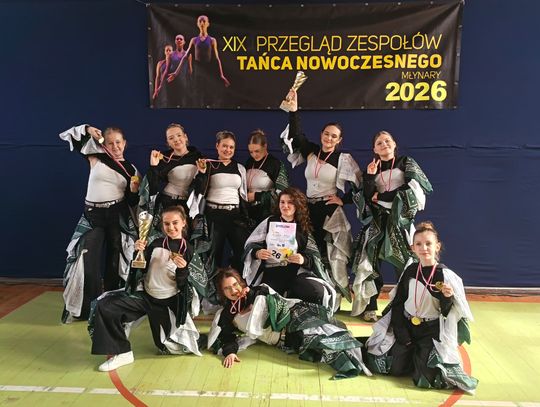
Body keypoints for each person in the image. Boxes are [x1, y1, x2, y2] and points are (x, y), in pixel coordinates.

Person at [365, 222, 478, 393]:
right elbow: (398, 303)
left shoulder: (445, 275)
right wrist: (401, 332)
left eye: (428, 243)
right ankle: (412, 356)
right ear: (412, 248)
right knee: (394, 368)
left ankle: (420, 358)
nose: (424, 248)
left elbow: (447, 313)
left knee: (425, 379)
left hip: (430, 331)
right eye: (418, 244)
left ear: (437, 246)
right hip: (407, 326)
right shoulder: (410, 271)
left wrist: (447, 298)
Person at [89, 206, 203, 371]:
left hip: (166, 305)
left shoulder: (189, 251)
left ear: (184, 222)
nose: (171, 227)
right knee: (105, 306)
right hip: (146, 298)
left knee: (165, 347)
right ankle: (123, 353)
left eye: (175, 223)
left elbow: (185, 288)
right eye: (167, 223)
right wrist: (138, 254)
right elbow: (140, 271)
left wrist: (183, 270)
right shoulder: (155, 244)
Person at [207, 268, 372, 379]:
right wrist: (230, 352)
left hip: (295, 319)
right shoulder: (227, 315)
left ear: (240, 283)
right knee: (328, 349)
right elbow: (226, 336)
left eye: (235, 284)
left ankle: (371, 350)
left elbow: (273, 298)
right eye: (227, 288)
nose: (234, 290)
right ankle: (370, 356)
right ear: (222, 292)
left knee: (335, 334)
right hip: (287, 340)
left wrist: (252, 295)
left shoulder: (256, 291)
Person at [280, 89, 361, 306]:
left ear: (339, 140)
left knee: (331, 254)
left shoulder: (343, 158)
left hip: (329, 211)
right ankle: (314, 294)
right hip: (308, 209)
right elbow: (296, 135)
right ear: (321, 134)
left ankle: (334, 298)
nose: (329, 138)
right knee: (309, 253)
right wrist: (294, 110)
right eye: (326, 134)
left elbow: (361, 185)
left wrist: (344, 200)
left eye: (334, 136)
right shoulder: (312, 151)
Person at [59, 124, 140, 323]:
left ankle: (112, 307)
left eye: (118, 142)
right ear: (104, 144)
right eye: (110, 143)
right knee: (87, 261)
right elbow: (71, 137)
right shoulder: (95, 157)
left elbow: (133, 202)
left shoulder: (132, 170)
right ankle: (85, 309)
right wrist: (88, 129)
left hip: (116, 216)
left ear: (124, 143)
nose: (115, 146)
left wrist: (133, 190)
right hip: (93, 216)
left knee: (116, 261)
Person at [351, 130, 433, 322]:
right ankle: (370, 307)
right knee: (370, 265)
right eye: (379, 143)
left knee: (404, 266)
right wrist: (370, 177)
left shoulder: (406, 162)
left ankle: (405, 307)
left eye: (387, 141)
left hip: (400, 222)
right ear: (374, 149)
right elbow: (366, 197)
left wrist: (381, 196)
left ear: (394, 144)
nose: (384, 145)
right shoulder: (372, 167)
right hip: (378, 222)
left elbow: (411, 188)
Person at [243, 187, 335, 308]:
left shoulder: (302, 227)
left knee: (317, 292)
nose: (285, 206)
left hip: (295, 273)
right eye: (282, 202)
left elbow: (314, 258)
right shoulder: (269, 222)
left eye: (290, 202)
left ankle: (292, 297)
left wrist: (303, 259)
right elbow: (251, 245)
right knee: (262, 301)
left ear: (297, 205)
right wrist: (257, 253)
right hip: (272, 272)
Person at [188, 130, 250, 284]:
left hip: (235, 216)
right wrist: (202, 173)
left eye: (231, 147)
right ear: (217, 146)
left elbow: (243, 195)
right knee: (213, 255)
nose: (228, 150)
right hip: (214, 216)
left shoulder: (240, 168)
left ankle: (239, 286)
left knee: (241, 253)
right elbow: (198, 191)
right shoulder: (208, 165)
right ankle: (213, 289)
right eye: (224, 146)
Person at [139, 123, 201, 243]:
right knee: (166, 239)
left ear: (185, 137)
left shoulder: (197, 156)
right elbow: (152, 186)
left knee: (187, 240)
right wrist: (153, 166)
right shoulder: (164, 159)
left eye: (179, 135)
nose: (176, 140)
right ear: (168, 142)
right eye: (171, 138)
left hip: (189, 205)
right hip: (168, 201)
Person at [167, 15, 230, 107]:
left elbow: (217, 58)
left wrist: (221, 75)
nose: (202, 23)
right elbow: (185, 57)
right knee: (198, 94)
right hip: (198, 70)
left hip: (209, 69)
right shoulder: (194, 40)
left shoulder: (212, 40)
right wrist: (176, 73)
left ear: (208, 24)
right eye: (200, 21)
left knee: (210, 94)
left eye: (204, 21)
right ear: (197, 24)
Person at [245, 129, 289, 226]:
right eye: (251, 152)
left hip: (267, 214)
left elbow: (283, 193)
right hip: (249, 214)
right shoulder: (249, 162)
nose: (254, 155)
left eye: (257, 151)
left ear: (265, 146)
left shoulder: (275, 164)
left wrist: (257, 196)